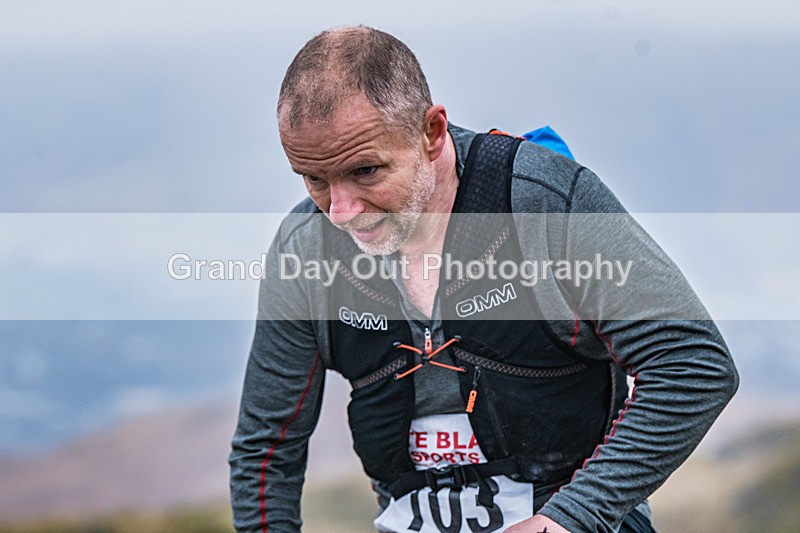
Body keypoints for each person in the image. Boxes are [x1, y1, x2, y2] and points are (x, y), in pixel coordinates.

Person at [229, 26, 739, 533]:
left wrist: (569, 519)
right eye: (314, 178)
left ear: (432, 132)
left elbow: (694, 364)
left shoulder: (544, 203)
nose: (340, 211)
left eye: (365, 171)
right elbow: (265, 447)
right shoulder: (304, 246)